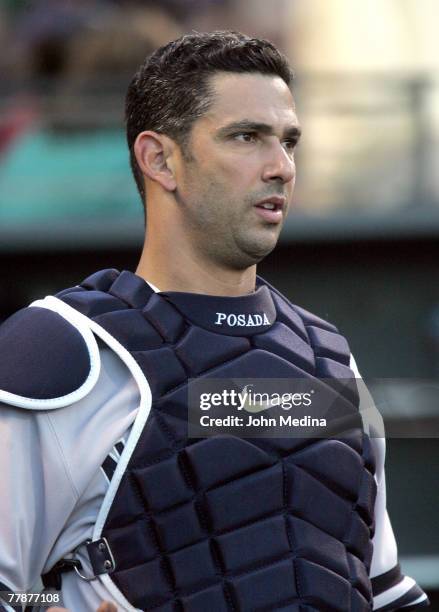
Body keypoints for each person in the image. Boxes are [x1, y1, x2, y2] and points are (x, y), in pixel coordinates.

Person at [0, 31, 430, 612]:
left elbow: (382, 589)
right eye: (247, 137)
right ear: (160, 159)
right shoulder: (61, 350)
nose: (280, 167)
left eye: (289, 142)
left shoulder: (327, 357)